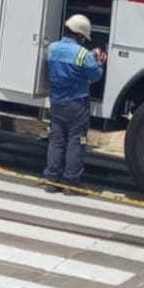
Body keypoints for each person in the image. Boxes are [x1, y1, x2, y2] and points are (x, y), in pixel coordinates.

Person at [43, 13, 106, 193]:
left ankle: (52, 179)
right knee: (76, 141)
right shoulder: (83, 54)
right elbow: (95, 76)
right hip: (77, 103)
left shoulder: (52, 48)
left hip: (56, 102)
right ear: (79, 35)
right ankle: (71, 183)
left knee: (56, 140)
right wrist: (98, 61)